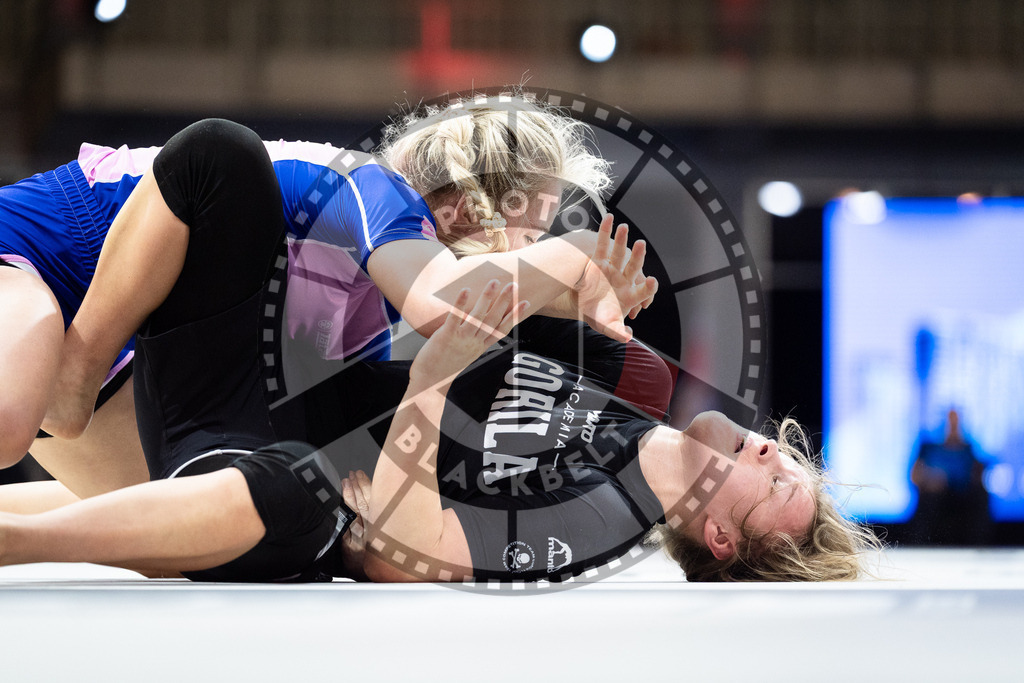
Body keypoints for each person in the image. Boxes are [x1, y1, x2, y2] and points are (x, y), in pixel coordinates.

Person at [0, 93, 653, 503]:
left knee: (181, 511)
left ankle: (70, 386)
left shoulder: (379, 302)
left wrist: (570, 304)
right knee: (10, 419)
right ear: (466, 207)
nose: (536, 254)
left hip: (124, 349)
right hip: (36, 251)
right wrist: (576, 268)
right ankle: (72, 374)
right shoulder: (372, 190)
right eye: (530, 234)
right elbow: (442, 298)